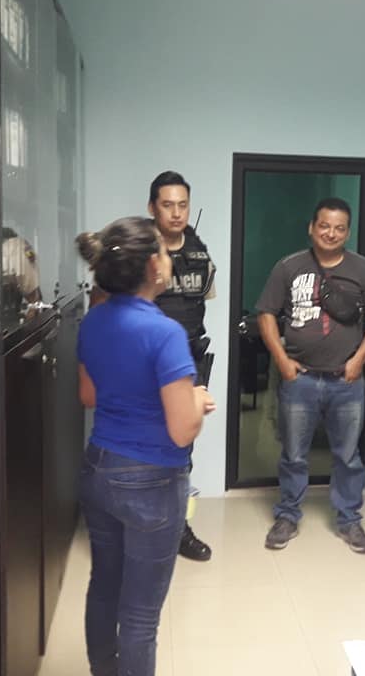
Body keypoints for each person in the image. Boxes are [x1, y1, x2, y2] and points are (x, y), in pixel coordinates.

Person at [75, 217, 216, 676]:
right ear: (154, 266)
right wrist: (197, 399)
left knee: (103, 585)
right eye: (164, 251)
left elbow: (88, 396)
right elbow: (182, 431)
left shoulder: (94, 320)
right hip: (151, 482)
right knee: (139, 616)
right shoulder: (165, 333)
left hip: (98, 469)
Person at [256, 197, 365, 553]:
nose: (331, 233)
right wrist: (282, 360)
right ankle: (288, 515)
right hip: (299, 380)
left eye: (339, 228)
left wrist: (359, 358)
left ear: (348, 232)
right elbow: (265, 314)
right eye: (324, 226)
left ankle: (349, 519)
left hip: (346, 381)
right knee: (293, 454)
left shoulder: (362, 269)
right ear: (312, 228)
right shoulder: (288, 267)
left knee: (347, 456)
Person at [147, 170, 217, 562]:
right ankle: (142, 530)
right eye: (167, 205)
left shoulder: (200, 252)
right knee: (141, 449)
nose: (176, 213)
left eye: (183, 205)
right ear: (152, 208)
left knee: (181, 450)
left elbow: (204, 301)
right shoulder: (139, 251)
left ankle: (177, 529)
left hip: (187, 365)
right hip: (144, 367)